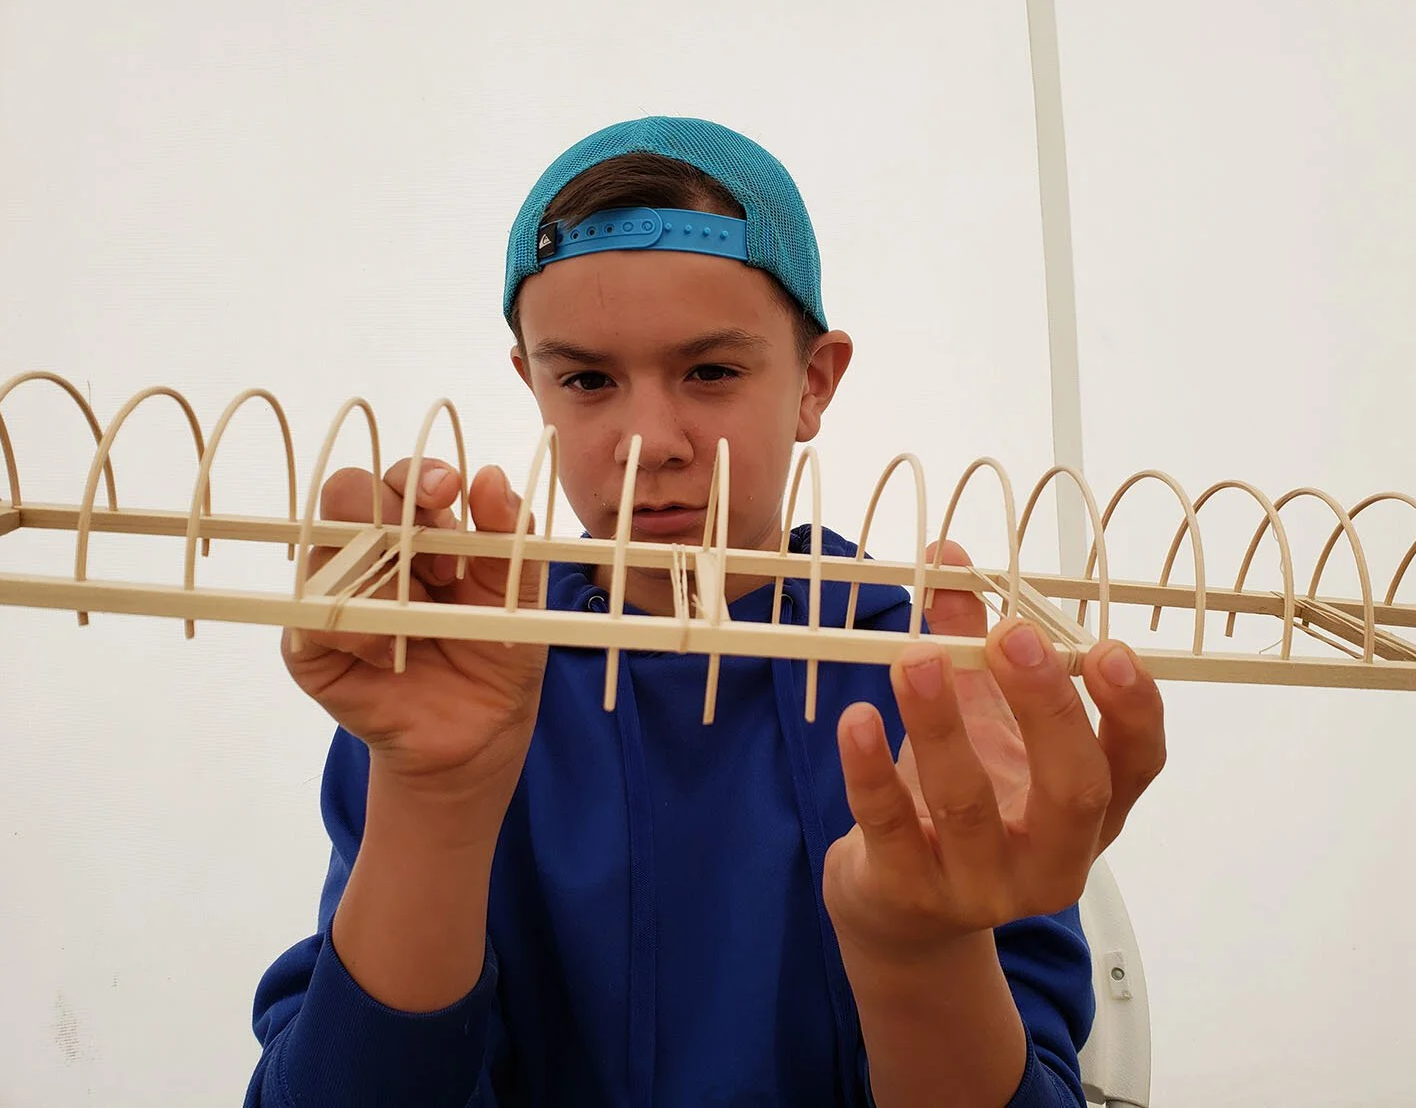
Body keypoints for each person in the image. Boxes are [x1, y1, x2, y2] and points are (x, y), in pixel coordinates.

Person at [243, 116, 1166, 1108]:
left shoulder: (939, 691)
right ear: (533, 383)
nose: (651, 439)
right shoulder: (453, 668)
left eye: (712, 372)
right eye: (586, 379)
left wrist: (921, 949)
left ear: (814, 382)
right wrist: (434, 806)